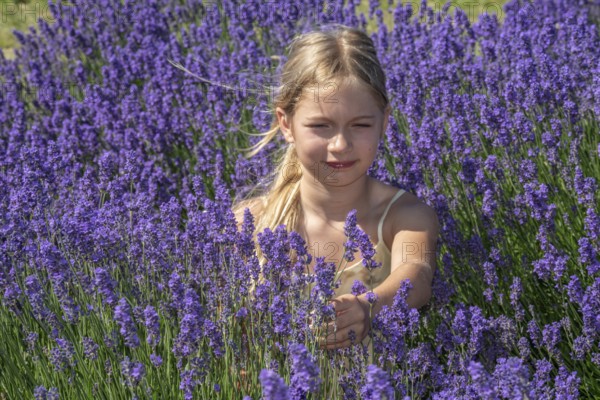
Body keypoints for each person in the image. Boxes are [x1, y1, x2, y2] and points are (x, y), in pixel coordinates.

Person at [232, 24, 439, 360]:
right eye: (321, 126)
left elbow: (417, 274)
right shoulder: (248, 223)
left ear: (385, 122)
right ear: (286, 124)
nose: (340, 145)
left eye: (360, 125)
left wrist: (368, 306)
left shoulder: (405, 218)